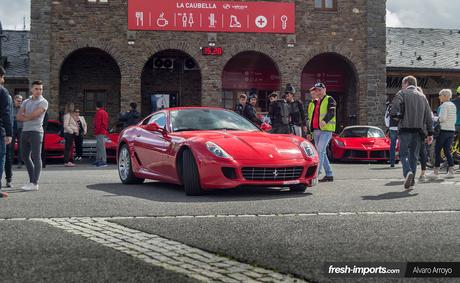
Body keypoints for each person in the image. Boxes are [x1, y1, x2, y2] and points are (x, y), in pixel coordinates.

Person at [390, 76, 433, 189]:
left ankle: (407, 172)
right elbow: (429, 116)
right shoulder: (423, 96)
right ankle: (412, 181)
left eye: (402, 84)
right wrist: (430, 133)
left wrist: (397, 116)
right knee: (414, 156)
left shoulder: (402, 93)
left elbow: (393, 108)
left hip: (405, 129)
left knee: (403, 154)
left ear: (406, 83)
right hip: (419, 131)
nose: (401, 86)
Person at [16, 80, 48, 191]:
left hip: (36, 132)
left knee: (36, 156)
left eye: (41, 89)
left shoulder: (44, 102)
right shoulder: (26, 101)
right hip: (25, 131)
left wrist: (27, 116)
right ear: (31, 89)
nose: (39, 91)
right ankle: (31, 181)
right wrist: (28, 116)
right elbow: (18, 117)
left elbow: (34, 115)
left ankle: (35, 183)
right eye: (37, 89)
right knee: (25, 156)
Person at [307, 82, 336, 182]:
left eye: (320, 90)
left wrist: (325, 121)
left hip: (326, 130)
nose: (318, 92)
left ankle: (315, 174)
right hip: (316, 130)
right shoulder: (315, 102)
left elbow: (332, 112)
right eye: (316, 90)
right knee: (321, 152)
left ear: (325, 89)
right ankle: (329, 174)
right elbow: (311, 118)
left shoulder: (329, 99)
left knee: (319, 151)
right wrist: (309, 132)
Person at [428, 89, 457, 179]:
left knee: (437, 150)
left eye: (440, 95)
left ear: (445, 96)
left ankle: (436, 172)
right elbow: (454, 119)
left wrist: (434, 118)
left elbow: (442, 118)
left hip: (443, 130)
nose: (439, 97)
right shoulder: (453, 105)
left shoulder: (444, 105)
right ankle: (451, 171)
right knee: (447, 151)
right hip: (451, 130)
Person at [0, 67, 13, 198]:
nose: (3, 80)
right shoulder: (2, 92)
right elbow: (6, 114)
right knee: (1, 157)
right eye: (3, 77)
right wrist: (9, 133)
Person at [93, 101, 109, 167]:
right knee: (99, 146)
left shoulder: (98, 113)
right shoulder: (105, 112)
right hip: (103, 130)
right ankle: (99, 159)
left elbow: (97, 123)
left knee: (101, 147)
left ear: (96, 106)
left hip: (99, 131)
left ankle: (103, 161)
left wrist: (96, 131)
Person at [63, 102, 79, 167]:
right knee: (67, 148)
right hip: (68, 133)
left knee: (69, 148)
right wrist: (71, 131)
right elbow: (65, 125)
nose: (73, 107)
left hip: (70, 134)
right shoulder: (67, 115)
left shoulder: (71, 115)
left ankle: (68, 161)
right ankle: (66, 162)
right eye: (72, 106)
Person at [384, 97, 399, 168]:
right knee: (403, 144)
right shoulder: (402, 105)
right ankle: (405, 161)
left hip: (392, 127)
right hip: (401, 127)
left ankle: (392, 162)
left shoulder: (390, 106)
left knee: (392, 145)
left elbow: (386, 117)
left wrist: (388, 126)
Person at [12, 95, 24, 169]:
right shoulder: (10, 107)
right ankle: (10, 162)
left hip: (21, 128)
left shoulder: (23, 108)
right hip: (12, 128)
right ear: (14, 100)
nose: (20, 102)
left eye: (21, 101)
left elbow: (24, 117)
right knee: (10, 146)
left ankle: (20, 162)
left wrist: (17, 117)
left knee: (21, 146)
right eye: (18, 101)